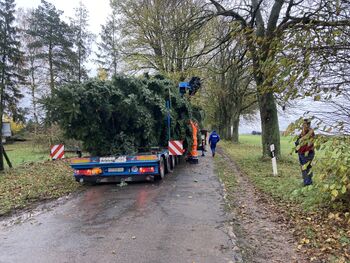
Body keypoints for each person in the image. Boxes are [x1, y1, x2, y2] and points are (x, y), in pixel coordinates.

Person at [295, 119, 315, 186]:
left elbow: (308, 143)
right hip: (301, 153)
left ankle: (308, 183)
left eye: (305, 124)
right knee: (303, 168)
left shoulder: (311, 132)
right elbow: (298, 141)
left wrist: (301, 140)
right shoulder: (302, 132)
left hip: (308, 153)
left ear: (308, 124)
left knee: (307, 168)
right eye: (303, 124)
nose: (303, 125)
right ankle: (305, 182)